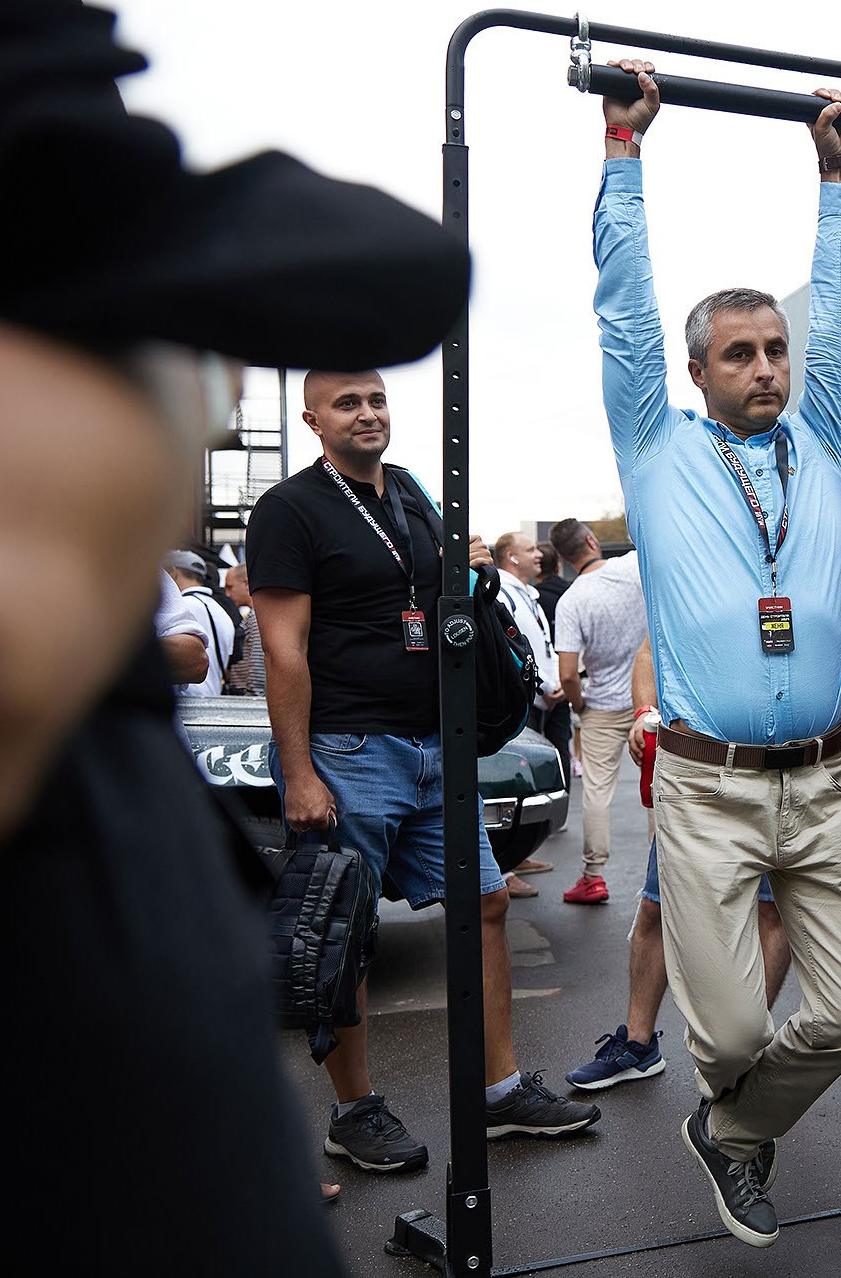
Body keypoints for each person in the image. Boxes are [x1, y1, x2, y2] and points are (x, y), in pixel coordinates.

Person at [0, 0, 474, 1269]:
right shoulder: (269, 499)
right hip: (38, 959)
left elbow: (401, 266)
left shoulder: (17, 170)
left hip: (119, 920)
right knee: (320, 956)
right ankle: (350, 1105)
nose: (368, 412)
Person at [591, 58, 841, 1249]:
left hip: (822, 781)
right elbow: (620, 309)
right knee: (720, 1038)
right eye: (741, 353)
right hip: (707, 789)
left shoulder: (819, 439)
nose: (766, 365)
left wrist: (834, 174)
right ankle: (732, 1107)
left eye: (775, 347)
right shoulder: (657, 450)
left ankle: (730, 1133)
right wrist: (623, 156)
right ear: (699, 370)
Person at [249, 368, 601, 1174]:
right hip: (348, 751)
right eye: (348, 403)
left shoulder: (410, 491)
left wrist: (470, 563)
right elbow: (282, 648)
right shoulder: (290, 509)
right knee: (344, 932)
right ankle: (352, 1110)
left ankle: (502, 1090)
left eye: (376, 399)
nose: (367, 413)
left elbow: (444, 607)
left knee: (483, 904)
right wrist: (299, 772)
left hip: (435, 747)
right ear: (312, 419)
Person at [565, 642, 793, 1092]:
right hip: (694, 773)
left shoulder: (780, 575)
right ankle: (637, 1044)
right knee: (657, 905)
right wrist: (645, 710)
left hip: (776, 769)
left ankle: (745, 1053)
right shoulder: (693, 577)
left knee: (770, 911)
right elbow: (651, 652)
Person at [552, 518, 648, 905]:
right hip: (648, 700)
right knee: (659, 788)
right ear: (592, 540)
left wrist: (579, 705)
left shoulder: (571, 600)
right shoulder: (633, 567)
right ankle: (668, 870)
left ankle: (593, 876)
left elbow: (567, 674)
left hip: (602, 708)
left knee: (596, 791)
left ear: (562, 557)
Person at [491, 530, 563, 893]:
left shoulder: (527, 592)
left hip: (541, 695)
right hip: (526, 698)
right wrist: (543, 686)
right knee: (510, 784)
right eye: (531, 549)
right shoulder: (502, 590)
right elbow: (514, 645)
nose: (540, 555)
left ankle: (516, 857)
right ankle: (502, 872)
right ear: (511, 557)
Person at [165, 548, 235, 697]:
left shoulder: (185, 605)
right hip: (215, 698)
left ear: (173, 572)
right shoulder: (220, 610)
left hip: (189, 702)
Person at [225, 560, 267, 695]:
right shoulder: (255, 615)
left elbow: (257, 666)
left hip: (246, 699)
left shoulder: (256, 617)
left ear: (247, 584)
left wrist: (254, 700)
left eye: (230, 587)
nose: (227, 594)